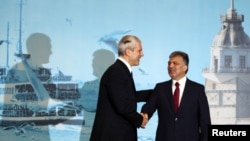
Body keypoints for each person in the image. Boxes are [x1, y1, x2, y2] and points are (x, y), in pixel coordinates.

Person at [89, 35, 152, 141]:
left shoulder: (120, 70)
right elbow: (123, 106)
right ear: (128, 52)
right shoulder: (117, 72)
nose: (142, 54)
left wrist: (157, 92)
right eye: (139, 51)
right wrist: (141, 120)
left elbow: (126, 96)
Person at [141, 51, 211, 141]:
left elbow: (205, 122)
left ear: (185, 68)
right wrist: (145, 114)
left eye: (175, 63)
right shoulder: (160, 88)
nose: (170, 66)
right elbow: (149, 106)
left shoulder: (198, 90)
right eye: (169, 63)